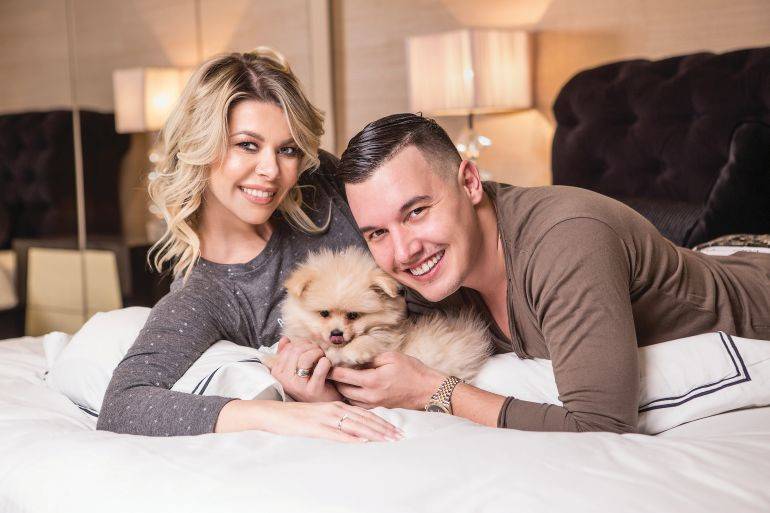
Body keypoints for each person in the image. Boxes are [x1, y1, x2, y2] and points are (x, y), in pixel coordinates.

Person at [329, 112, 770, 434]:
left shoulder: (567, 240)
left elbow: (600, 425)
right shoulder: (428, 275)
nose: (404, 251)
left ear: (470, 182)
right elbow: (388, 372)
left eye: (417, 212)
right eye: (377, 233)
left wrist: (439, 392)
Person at [97, 49, 401, 443]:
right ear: (201, 144)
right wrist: (277, 413)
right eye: (247, 145)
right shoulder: (203, 296)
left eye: (287, 149)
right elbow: (123, 406)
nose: (272, 171)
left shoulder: (320, 184)